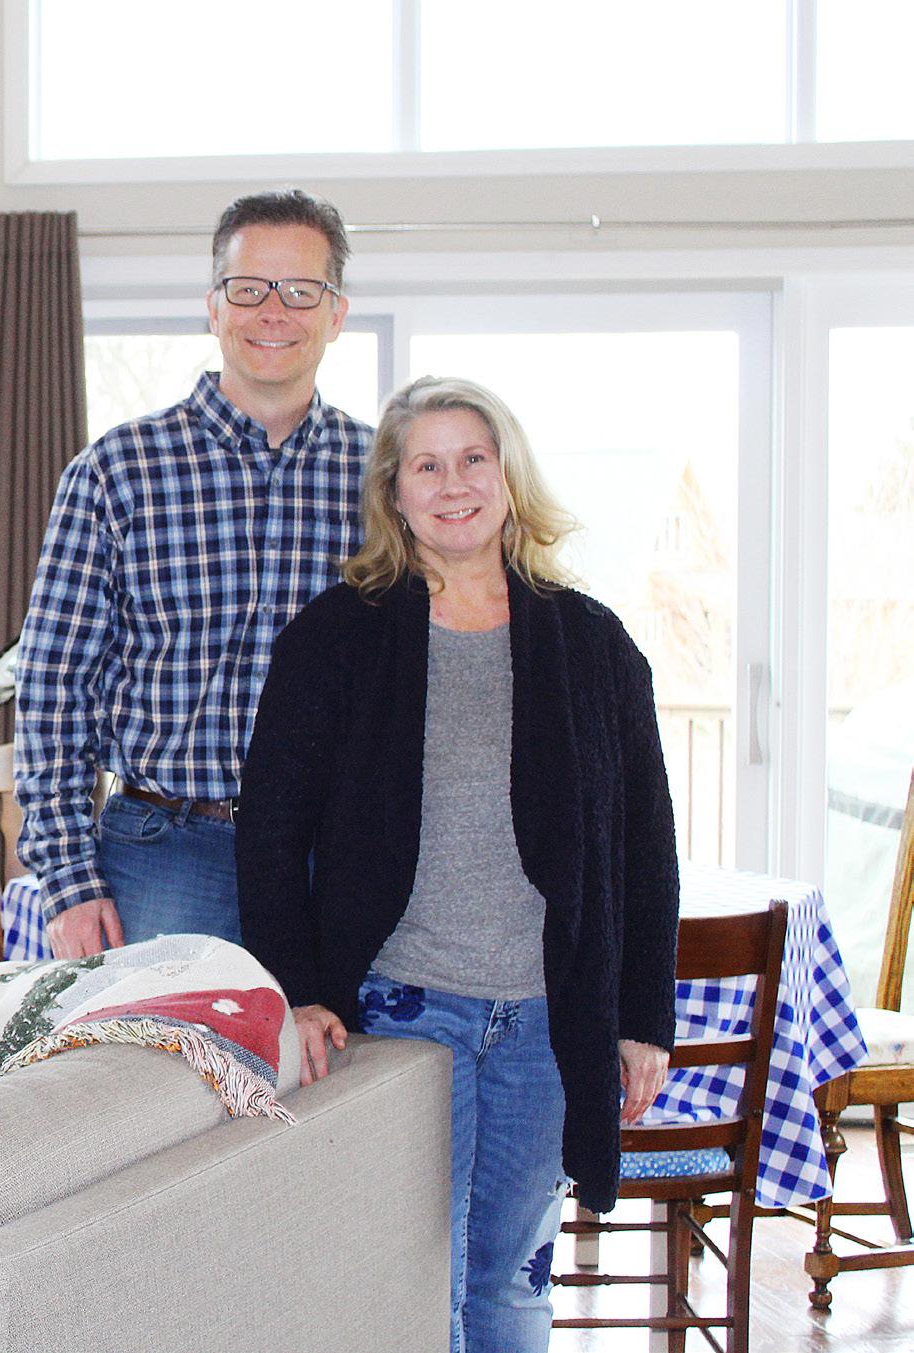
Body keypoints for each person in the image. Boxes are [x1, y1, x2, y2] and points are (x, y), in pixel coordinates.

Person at [235, 375, 682, 1352]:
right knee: (406, 1283)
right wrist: (297, 991)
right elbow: (268, 832)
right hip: (399, 1011)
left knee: (512, 1280)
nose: (453, 484)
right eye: (426, 465)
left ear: (509, 476)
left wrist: (643, 1017)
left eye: (473, 458)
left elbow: (645, 848)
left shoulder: (593, 644)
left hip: (546, 1020)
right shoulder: (336, 637)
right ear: (394, 495)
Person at [13, 188, 372, 959]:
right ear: (213, 308)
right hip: (164, 854)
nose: (271, 310)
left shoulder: (383, 478)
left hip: (334, 858)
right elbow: (53, 689)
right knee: (152, 1045)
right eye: (247, 288)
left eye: (299, 289)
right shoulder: (115, 472)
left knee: (333, 1048)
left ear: (335, 313)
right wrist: (68, 879)